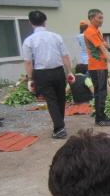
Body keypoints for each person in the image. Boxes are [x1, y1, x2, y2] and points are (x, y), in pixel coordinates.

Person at [23, 11, 74, 139]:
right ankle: (60, 124)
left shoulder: (29, 41)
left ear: (30, 23)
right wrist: (69, 72)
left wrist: (30, 79)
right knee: (60, 98)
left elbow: (28, 62)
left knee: (51, 100)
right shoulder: (56, 37)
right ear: (45, 22)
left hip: (42, 73)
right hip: (58, 71)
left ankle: (59, 128)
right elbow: (65, 56)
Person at [84, 9, 110, 127]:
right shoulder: (91, 32)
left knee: (103, 92)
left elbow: (105, 45)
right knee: (100, 93)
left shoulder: (97, 32)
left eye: (102, 18)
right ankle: (99, 118)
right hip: (96, 66)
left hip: (101, 65)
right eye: (99, 18)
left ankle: (102, 115)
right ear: (91, 18)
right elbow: (103, 48)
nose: (101, 20)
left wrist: (103, 46)